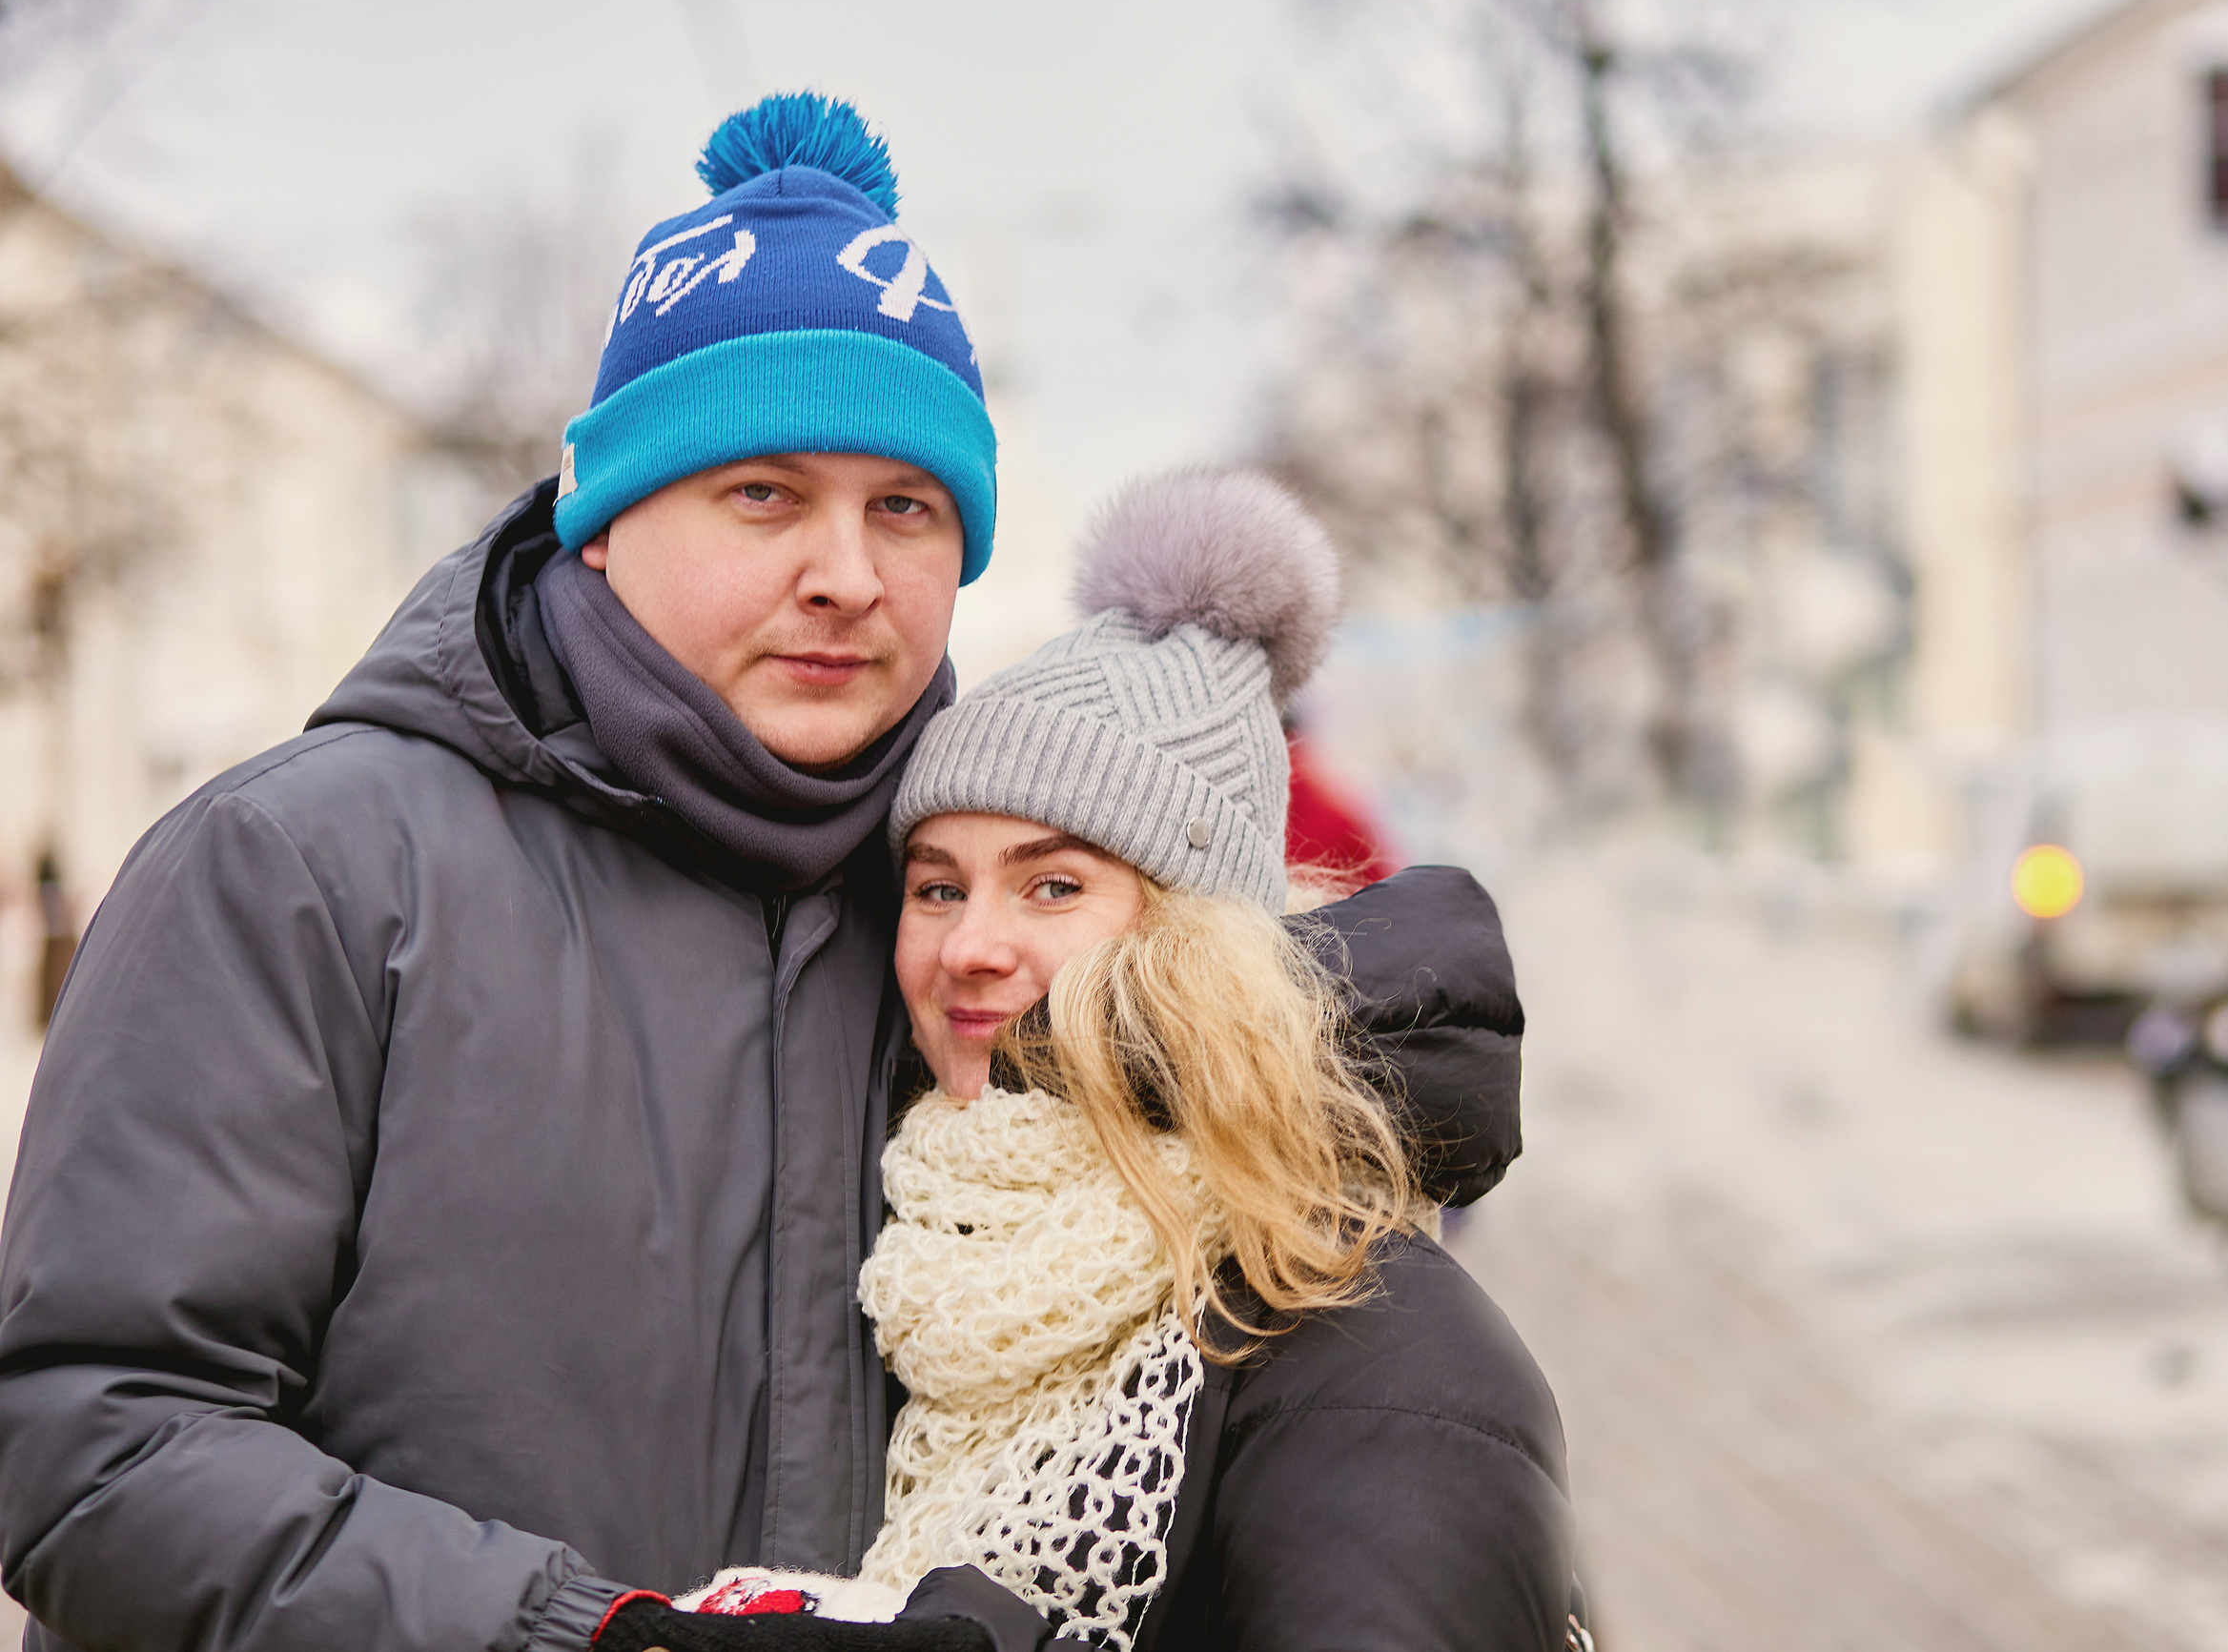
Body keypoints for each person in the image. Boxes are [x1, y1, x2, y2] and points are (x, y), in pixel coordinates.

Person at [0, 100, 1524, 1652]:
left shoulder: (953, 911)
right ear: (603, 518)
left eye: (907, 508)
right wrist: (583, 1637)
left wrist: (1318, 1035)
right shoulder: (302, 872)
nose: (846, 575)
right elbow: (91, 1443)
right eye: (765, 494)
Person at [587, 471, 1571, 1652]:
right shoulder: (903, 1281)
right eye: (936, 886)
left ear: (1198, 939)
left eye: (1054, 886)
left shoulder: (1374, 1351)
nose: (971, 948)